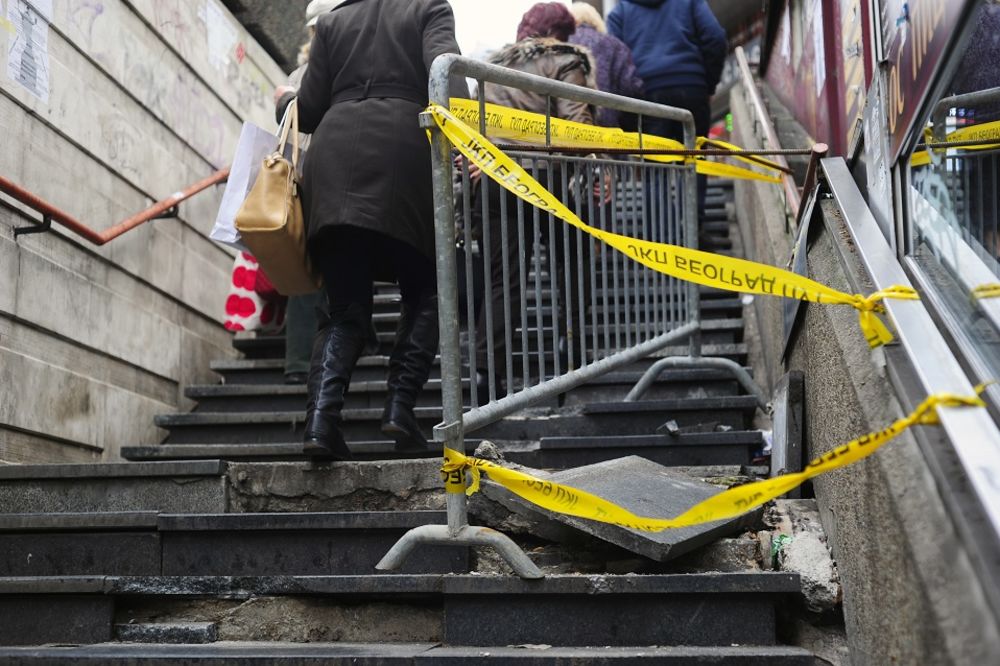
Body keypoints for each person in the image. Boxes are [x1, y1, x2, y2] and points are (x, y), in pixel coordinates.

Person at [274, 0, 463, 460]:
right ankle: (399, 410)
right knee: (426, 292)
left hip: (335, 162)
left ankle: (321, 425)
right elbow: (448, 77)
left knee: (343, 309)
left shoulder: (335, 20)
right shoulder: (430, 8)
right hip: (402, 155)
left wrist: (286, 102)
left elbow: (312, 107)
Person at [470, 2, 597, 403]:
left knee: (502, 281)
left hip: (493, 178)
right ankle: (572, 352)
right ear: (562, 33)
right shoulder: (565, 60)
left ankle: (490, 378)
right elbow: (576, 127)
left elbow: (470, 127)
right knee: (572, 263)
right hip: (545, 178)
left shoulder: (490, 71)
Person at [608, 0, 726, 224]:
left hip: (647, 94)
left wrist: (629, 102)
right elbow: (715, 37)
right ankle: (693, 227)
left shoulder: (621, 10)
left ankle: (664, 238)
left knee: (655, 168)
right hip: (691, 88)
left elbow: (616, 55)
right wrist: (707, 82)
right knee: (693, 160)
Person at [567, 2, 643, 128]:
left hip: (567, 128)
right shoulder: (616, 46)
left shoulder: (561, 44)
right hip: (608, 128)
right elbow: (630, 88)